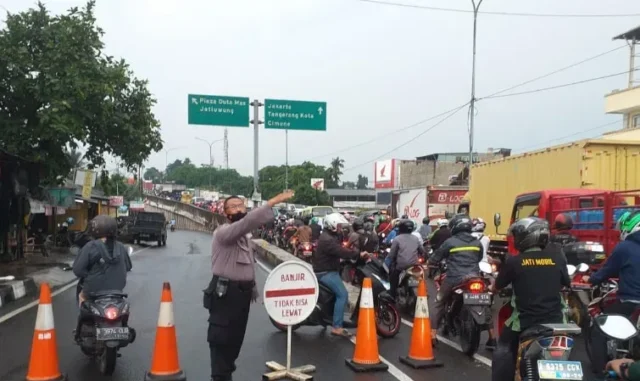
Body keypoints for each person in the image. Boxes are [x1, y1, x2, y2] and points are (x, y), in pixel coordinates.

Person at [206, 190, 294, 381]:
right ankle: (220, 376)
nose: (238, 209)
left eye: (241, 205)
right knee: (221, 340)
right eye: (233, 206)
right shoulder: (223, 233)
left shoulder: (246, 238)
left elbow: (249, 265)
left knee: (235, 341)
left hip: (241, 296)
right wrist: (271, 202)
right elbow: (246, 223)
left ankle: (225, 373)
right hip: (225, 295)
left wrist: (254, 289)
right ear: (226, 213)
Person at [491, 217, 571, 381]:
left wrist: (492, 288)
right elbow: (566, 284)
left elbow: (497, 287)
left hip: (525, 322)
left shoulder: (515, 261)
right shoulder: (557, 258)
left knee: (503, 350)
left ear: (527, 237)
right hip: (557, 322)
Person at [585, 210, 640, 373]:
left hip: (631, 302)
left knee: (599, 327)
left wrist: (591, 279)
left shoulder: (625, 247)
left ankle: (600, 371)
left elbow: (606, 271)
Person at [72, 215, 132, 343]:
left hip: (94, 290)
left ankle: (79, 328)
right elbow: (128, 266)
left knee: (82, 296)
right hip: (117, 290)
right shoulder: (121, 246)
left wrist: (88, 275)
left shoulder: (90, 246)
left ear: (94, 230)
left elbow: (78, 270)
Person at [428, 214, 483, 342]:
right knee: (481, 300)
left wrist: (431, 262)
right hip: (475, 277)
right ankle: (492, 337)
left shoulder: (450, 242)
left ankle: (432, 335)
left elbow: (436, 257)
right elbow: (479, 258)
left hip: (454, 278)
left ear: (454, 227)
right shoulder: (477, 242)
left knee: (439, 301)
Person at [313, 212, 367, 337]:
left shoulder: (329, 236)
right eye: (338, 226)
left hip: (328, 269)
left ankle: (331, 317)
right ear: (331, 225)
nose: (340, 228)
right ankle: (337, 327)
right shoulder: (327, 240)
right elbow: (341, 251)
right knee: (343, 294)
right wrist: (357, 255)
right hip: (325, 272)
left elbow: (341, 249)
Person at [471, 217, 498, 349]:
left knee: (442, 299)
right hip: (484, 268)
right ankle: (492, 338)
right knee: (485, 303)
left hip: (469, 270)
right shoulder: (486, 238)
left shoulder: (467, 238)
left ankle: (434, 333)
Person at [388, 219, 424, 298]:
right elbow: (422, 251)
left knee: (393, 276)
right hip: (414, 265)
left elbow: (392, 254)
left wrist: (391, 259)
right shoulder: (415, 238)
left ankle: (392, 295)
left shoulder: (397, 239)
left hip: (401, 266)